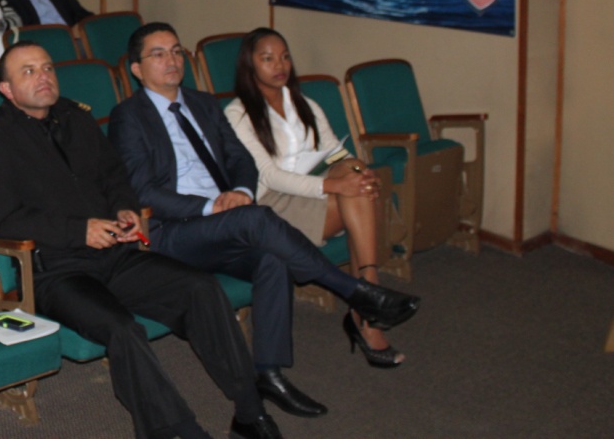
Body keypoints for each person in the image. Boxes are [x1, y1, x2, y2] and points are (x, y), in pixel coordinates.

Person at [108, 23, 421, 419]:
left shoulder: (204, 104)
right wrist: (210, 208)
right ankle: (358, 293)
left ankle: (268, 373)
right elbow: (142, 191)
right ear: (136, 69)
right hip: (175, 229)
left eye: (175, 51)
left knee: (270, 259)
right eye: (158, 54)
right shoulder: (128, 117)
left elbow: (241, 159)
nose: (171, 61)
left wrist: (240, 190)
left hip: (229, 217)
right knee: (259, 220)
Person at [0, 42, 280, 439]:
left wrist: (124, 208)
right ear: (7, 90)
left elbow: (115, 177)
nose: (43, 77)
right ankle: (176, 430)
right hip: (57, 270)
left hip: (117, 253)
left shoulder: (76, 117)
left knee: (200, 288)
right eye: (28, 72)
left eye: (48, 68)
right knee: (123, 329)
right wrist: (79, 230)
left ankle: (249, 411)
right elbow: (5, 219)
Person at [225, 29, 404, 368]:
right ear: (250, 65)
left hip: (310, 189)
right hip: (271, 206)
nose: (279, 65)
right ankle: (367, 302)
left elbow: (335, 152)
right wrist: (336, 187)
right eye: (267, 59)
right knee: (354, 195)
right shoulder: (238, 114)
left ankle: (365, 298)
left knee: (355, 171)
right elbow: (270, 176)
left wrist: (359, 174)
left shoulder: (304, 103)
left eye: (285, 57)